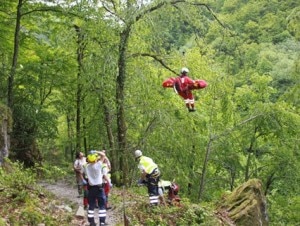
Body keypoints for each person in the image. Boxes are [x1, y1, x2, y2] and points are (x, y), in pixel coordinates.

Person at [84, 153, 110, 226]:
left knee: (91, 206)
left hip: (91, 189)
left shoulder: (87, 167)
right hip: (99, 188)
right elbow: (103, 155)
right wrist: (97, 152)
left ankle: (91, 223)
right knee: (102, 206)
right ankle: (102, 223)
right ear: (96, 159)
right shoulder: (99, 165)